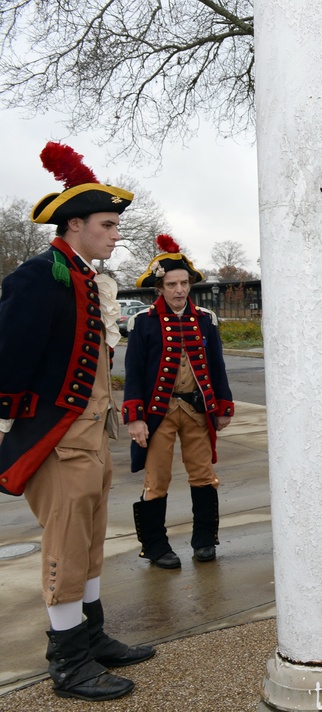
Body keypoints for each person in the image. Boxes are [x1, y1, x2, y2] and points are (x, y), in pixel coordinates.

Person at [0, 142, 154, 701]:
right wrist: (20, 411)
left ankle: (91, 637)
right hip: (59, 437)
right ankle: (68, 661)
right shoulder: (41, 274)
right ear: (75, 225)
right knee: (66, 546)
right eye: (108, 224)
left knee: (89, 542)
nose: (116, 234)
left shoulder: (85, 275)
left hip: (92, 433)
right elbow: (8, 352)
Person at [123, 235, 235, 569]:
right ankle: (155, 546)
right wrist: (135, 417)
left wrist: (223, 406)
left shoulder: (205, 319)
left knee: (203, 476)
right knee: (156, 480)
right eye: (172, 284)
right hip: (159, 414)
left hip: (197, 411)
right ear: (160, 287)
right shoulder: (142, 322)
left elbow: (217, 366)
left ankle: (205, 540)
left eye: (184, 283)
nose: (179, 290)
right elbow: (134, 374)